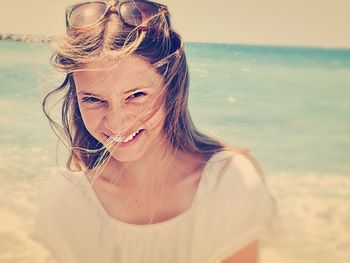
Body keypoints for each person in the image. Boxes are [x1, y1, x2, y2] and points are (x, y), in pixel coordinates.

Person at [31, 1, 279, 262]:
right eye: (93, 99)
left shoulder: (228, 184)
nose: (116, 124)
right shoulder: (67, 198)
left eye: (136, 95)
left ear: (172, 87)